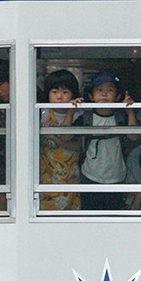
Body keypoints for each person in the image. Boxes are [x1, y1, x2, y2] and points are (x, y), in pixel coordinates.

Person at [76, 71, 137, 210]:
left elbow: (133, 136)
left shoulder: (121, 118)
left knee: (114, 220)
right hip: (90, 177)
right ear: (91, 96)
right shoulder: (86, 118)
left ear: (118, 97)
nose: (104, 94)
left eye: (110, 90)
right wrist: (70, 111)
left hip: (116, 178)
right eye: (99, 90)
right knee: (90, 220)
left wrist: (130, 111)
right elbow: (67, 136)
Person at [38, 69, 83, 211]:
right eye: (54, 92)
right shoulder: (42, 112)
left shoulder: (79, 114)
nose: (59, 97)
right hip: (46, 174)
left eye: (64, 92)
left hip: (70, 174)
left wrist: (70, 113)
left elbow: (68, 138)